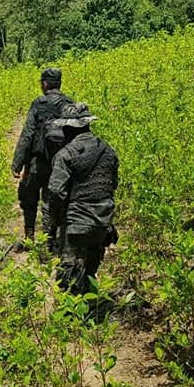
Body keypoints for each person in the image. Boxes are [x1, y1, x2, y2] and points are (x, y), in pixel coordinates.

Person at [46, 103, 119, 295]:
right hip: (103, 221)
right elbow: (113, 184)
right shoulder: (107, 150)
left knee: (68, 277)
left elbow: (55, 192)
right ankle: (91, 311)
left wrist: (54, 222)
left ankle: (72, 320)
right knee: (90, 270)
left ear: (68, 129)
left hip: (76, 223)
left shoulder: (66, 155)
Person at [11, 67, 74, 247]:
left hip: (37, 162)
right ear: (59, 84)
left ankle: (29, 238)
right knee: (51, 200)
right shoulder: (69, 103)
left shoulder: (39, 103)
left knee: (28, 197)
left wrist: (18, 162)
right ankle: (49, 242)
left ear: (45, 84)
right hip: (60, 163)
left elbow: (28, 134)